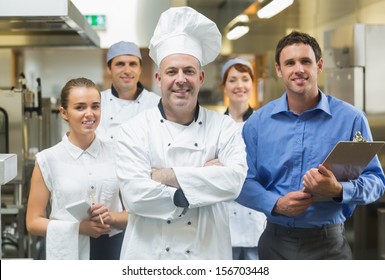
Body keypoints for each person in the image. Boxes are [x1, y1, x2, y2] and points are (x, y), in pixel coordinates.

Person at [236, 31, 385, 260]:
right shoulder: (257, 123)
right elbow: (241, 180)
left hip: (330, 247)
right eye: (290, 63)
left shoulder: (352, 120)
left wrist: (338, 190)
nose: (299, 69)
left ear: (319, 65)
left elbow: (376, 182)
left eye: (306, 61)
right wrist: (276, 203)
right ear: (279, 69)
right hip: (275, 245)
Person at [116, 6, 248, 260]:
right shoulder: (133, 130)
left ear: (200, 77)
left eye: (188, 71)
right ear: (158, 78)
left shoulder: (224, 127)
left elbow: (233, 183)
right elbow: (135, 196)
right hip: (149, 258)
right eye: (171, 71)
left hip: (206, 256)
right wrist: (205, 180)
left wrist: (165, 176)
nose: (181, 79)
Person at [26, 77, 127, 260]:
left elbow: (135, 214)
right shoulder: (48, 159)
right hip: (67, 253)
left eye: (95, 106)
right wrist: (78, 228)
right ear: (64, 113)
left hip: (112, 251)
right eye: (80, 107)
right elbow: (33, 222)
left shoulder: (118, 154)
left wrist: (111, 217)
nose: (90, 114)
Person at [220, 57, 267, 260]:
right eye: (232, 80)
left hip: (254, 215)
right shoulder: (214, 125)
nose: (239, 85)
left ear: (252, 84)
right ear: (224, 86)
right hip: (224, 216)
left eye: (245, 79)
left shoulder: (265, 124)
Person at [96, 41, 160, 142]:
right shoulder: (97, 102)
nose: (127, 71)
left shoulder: (156, 104)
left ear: (140, 69)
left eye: (133, 64)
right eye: (120, 64)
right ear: (109, 69)